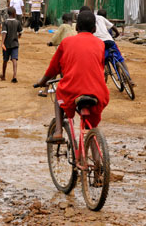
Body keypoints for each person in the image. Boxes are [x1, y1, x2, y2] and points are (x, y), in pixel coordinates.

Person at [35, 10, 109, 143]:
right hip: (98, 92)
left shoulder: (66, 43)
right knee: (91, 126)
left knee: (58, 94)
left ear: (76, 27)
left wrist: (42, 81)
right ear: (94, 28)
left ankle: (58, 131)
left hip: (72, 89)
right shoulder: (100, 44)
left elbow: (53, 68)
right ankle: (98, 159)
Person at [91, 7, 134, 85]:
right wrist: (117, 34)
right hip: (110, 41)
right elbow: (113, 27)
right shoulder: (105, 22)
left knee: (100, 61)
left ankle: (100, 79)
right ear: (106, 16)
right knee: (120, 59)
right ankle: (129, 79)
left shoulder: (91, 21)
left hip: (99, 43)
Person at [38, 13, 77, 97]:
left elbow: (56, 36)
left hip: (64, 50)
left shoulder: (63, 26)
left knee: (55, 68)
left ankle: (45, 90)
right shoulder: (75, 26)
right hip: (75, 52)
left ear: (64, 20)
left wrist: (51, 43)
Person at [0, 6, 23, 83]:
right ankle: (15, 76)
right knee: (14, 59)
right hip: (15, 44)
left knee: (5, 60)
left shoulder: (5, 22)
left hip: (6, 44)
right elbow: (20, 32)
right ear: (14, 13)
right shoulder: (17, 22)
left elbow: (4, 33)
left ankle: (3, 75)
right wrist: (18, 36)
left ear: (8, 13)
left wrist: (2, 43)